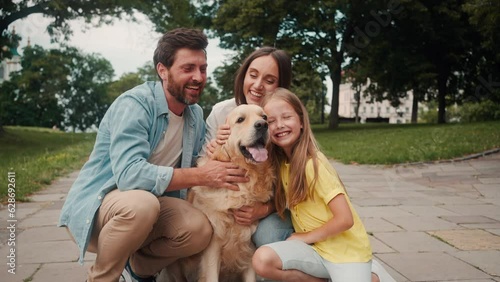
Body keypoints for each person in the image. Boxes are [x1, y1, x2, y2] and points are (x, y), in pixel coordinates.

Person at [58, 28, 248, 282]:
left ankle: (139, 269)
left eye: (202, 68)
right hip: (102, 209)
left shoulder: (194, 116)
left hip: (152, 211)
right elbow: (129, 175)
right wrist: (201, 174)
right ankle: (102, 278)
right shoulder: (135, 105)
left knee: (200, 229)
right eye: (188, 68)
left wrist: (216, 151)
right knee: (142, 204)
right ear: (162, 70)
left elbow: (197, 166)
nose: (198, 77)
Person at [252, 87, 373, 281]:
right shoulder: (283, 164)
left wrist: (304, 237)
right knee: (262, 261)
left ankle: (372, 275)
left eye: (286, 117)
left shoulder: (313, 164)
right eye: (271, 121)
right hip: (315, 252)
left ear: (301, 121)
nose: (279, 125)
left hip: (346, 255)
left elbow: (345, 219)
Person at [203, 46, 295, 247]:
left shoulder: (285, 119)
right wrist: (215, 152)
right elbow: (205, 176)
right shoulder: (221, 113)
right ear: (243, 76)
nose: (258, 85)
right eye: (253, 75)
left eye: (269, 81)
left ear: (280, 86)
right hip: (231, 202)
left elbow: (297, 187)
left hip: (274, 205)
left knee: (268, 234)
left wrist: (264, 209)